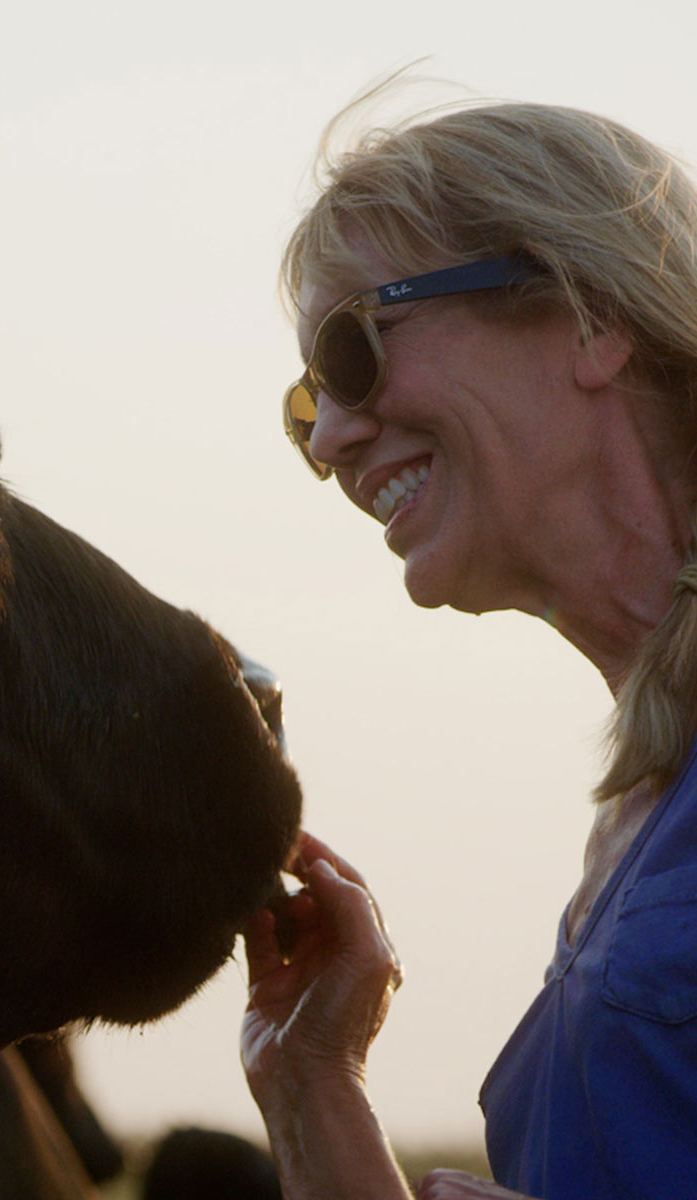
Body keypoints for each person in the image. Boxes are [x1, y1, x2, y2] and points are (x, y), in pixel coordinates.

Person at [240, 93, 697, 1200]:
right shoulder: (629, 830)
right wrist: (313, 1083)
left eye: (353, 350)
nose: (335, 441)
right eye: (309, 405)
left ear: (589, 314)